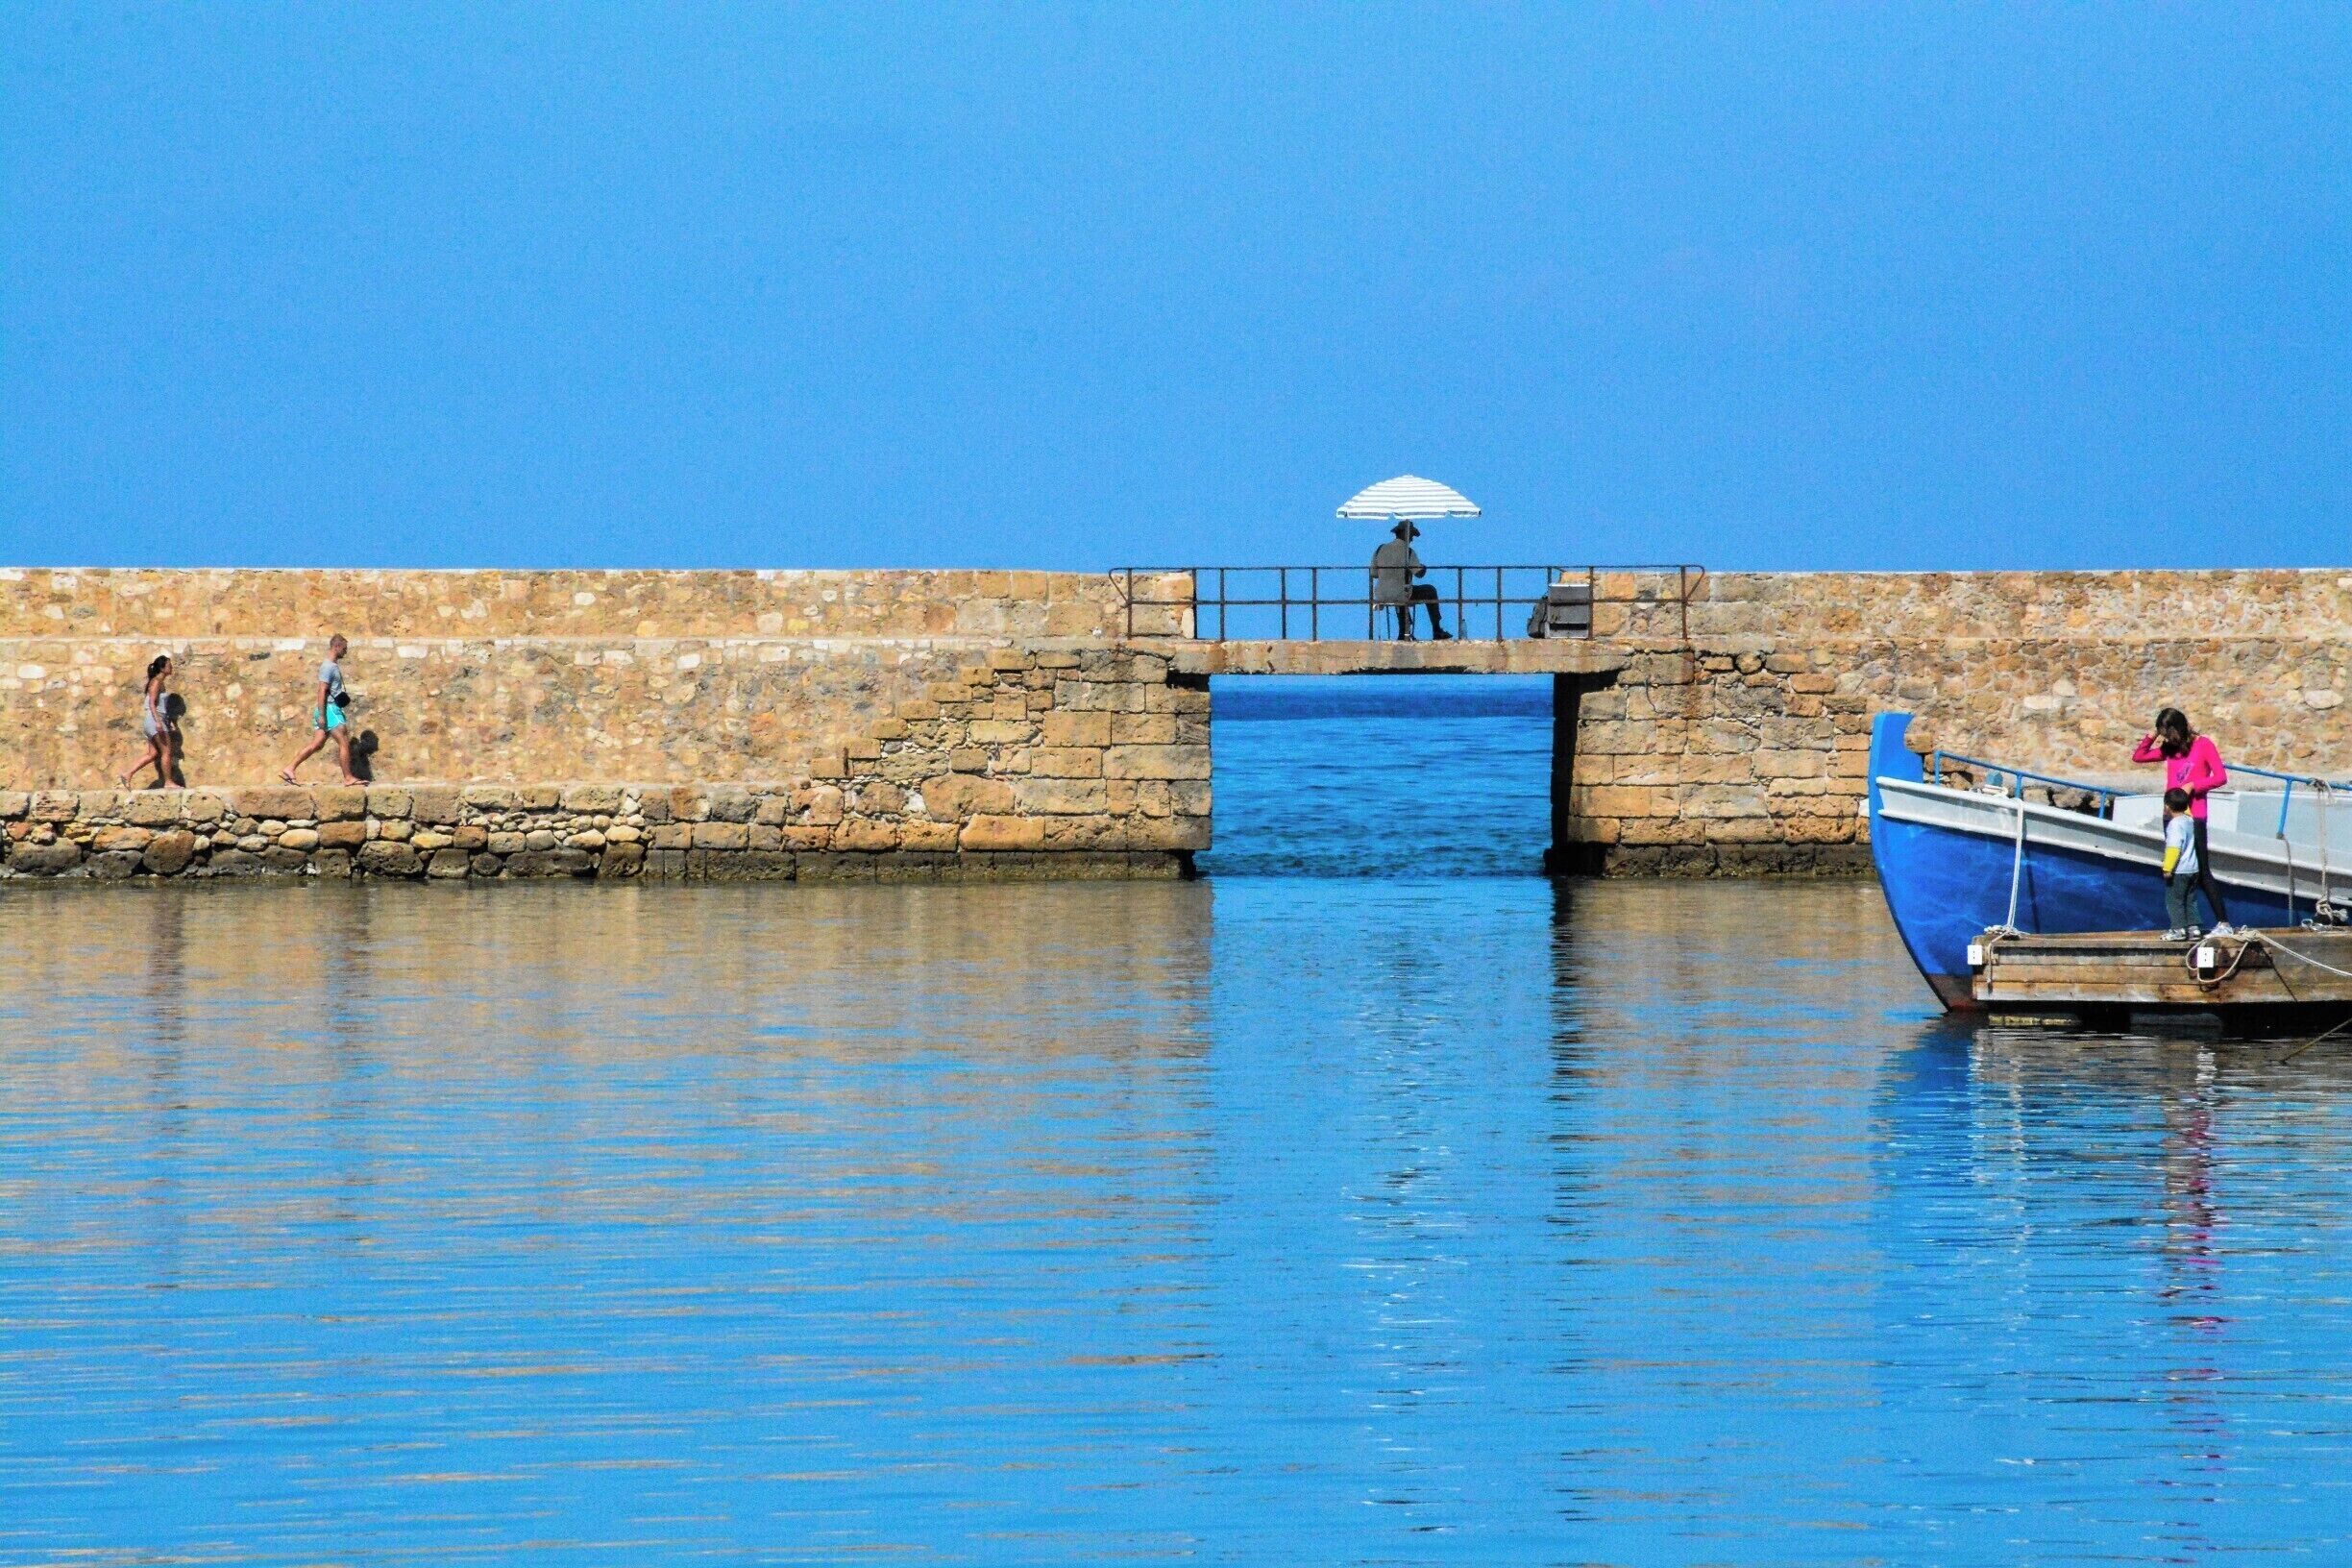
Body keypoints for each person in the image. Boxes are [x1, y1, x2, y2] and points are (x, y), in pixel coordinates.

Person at [2132, 707, 2232, 935]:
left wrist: (2193, 785)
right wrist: (2153, 734)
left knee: (2201, 870)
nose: (2169, 740)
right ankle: (2184, 925)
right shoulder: (2169, 748)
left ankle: (2223, 923)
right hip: (2172, 816)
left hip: (2195, 815)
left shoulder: (2203, 744)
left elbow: (2220, 777)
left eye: (2170, 734)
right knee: (2174, 869)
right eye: (2165, 736)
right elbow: (2138, 757)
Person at [282, 634, 359, 785]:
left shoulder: (332, 666)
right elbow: (322, 690)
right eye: (344, 648)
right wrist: (323, 715)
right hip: (330, 709)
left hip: (327, 710)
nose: (346, 652)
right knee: (344, 742)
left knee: (317, 744)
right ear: (336, 647)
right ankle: (348, 777)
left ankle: (290, 768)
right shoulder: (328, 667)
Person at [1369, 521, 1452, 640]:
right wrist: (1423, 567)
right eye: (1411, 535)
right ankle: (1437, 630)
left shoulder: (1380, 549)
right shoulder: (1408, 552)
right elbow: (1419, 574)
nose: (1412, 539)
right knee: (1430, 590)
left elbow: (1374, 574)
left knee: (1400, 593)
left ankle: (1403, 632)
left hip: (1381, 594)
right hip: (1401, 593)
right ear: (1405, 534)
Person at [116, 653, 178, 789]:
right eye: (169, 665)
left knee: (153, 754)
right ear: (162, 668)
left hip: (154, 721)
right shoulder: (156, 682)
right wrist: (158, 722)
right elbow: (151, 704)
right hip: (155, 720)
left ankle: (128, 774)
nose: (171, 667)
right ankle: (168, 782)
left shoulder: (159, 683)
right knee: (166, 751)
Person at [2160, 787, 2202, 941]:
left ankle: (2178, 930)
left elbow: (2173, 848)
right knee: (2190, 900)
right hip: (2193, 868)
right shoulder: (2189, 821)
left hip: (2179, 870)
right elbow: (2188, 811)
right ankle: (2194, 929)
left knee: (2174, 900)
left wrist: (2167, 868)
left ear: (2167, 806)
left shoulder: (2174, 825)